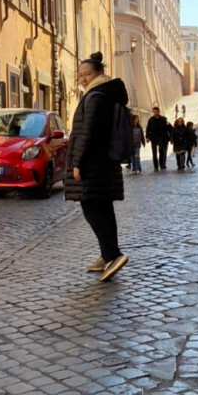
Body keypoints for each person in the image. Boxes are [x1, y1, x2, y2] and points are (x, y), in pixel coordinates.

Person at [64, 52, 129, 282]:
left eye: (87, 74)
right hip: (102, 163)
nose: (83, 79)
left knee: (92, 209)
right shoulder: (103, 94)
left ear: (99, 73)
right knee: (103, 208)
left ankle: (113, 256)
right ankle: (107, 254)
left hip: (92, 164)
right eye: (80, 75)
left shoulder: (95, 97)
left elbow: (88, 132)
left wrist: (77, 162)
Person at [146, 105, 170, 171]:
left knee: (161, 151)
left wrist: (168, 137)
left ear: (159, 112)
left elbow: (168, 128)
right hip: (153, 138)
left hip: (161, 138)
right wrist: (147, 137)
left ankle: (161, 164)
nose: (155, 113)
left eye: (156, 111)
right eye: (154, 112)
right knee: (154, 153)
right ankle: (156, 166)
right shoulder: (151, 119)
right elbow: (148, 129)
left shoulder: (163, 119)